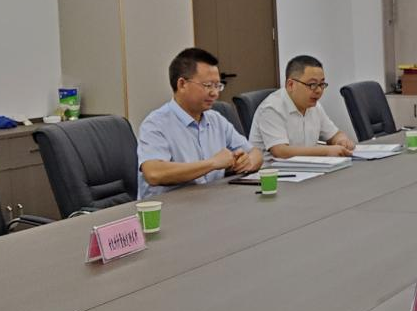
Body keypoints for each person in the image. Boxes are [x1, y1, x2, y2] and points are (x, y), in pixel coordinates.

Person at [137, 47, 263, 199]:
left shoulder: (216, 119)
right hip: (170, 208)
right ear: (182, 84)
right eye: (208, 85)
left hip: (211, 202)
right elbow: (154, 173)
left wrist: (247, 162)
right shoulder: (156, 123)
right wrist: (212, 163)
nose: (215, 93)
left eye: (218, 85)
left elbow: (255, 153)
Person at [249, 55, 356, 158]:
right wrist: (327, 151)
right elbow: (281, 151)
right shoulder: (271, 108)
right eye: (312, 84)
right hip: (275, 169)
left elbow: (334, 134)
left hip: (308, 166)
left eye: (322, 84)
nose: (319, 90)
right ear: (291, 85)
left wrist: (342, 141)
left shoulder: (315, 106)